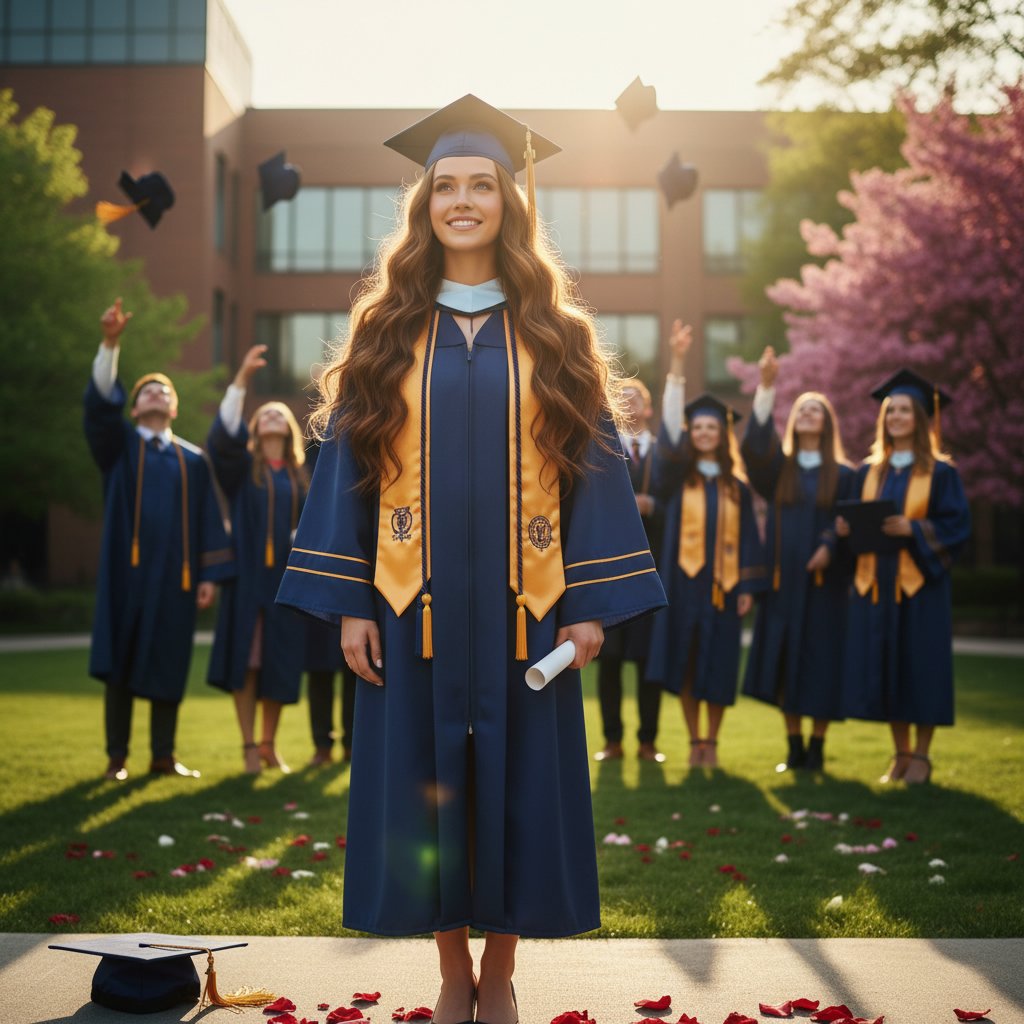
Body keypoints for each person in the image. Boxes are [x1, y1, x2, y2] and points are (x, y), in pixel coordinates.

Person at [276, 95, 666, 1024]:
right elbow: (347, 473)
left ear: (509, 201)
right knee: (427, 785)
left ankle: (501, 968)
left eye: (481, 185)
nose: (461, 201)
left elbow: (595, 472)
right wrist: (353, 601)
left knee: (520, 784)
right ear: (425, 205)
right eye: (445, 186)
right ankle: (452, 968)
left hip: (530, 609)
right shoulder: (386, 330)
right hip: (411, 607)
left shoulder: (555, 335)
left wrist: (590, 605)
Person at [85, 298, 234, 781]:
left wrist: (209, 575)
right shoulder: (119, 448)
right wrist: (110, 345)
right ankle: (117, 758)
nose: (154, 393)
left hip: (176, 578)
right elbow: (99, 409)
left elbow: (210, 519)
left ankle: (163, 756)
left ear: (174, 407)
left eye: (162, 390)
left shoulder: (192, 461)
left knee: (170, 661)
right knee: (121, 661)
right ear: (133, 407)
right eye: (146, 390)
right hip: (125, 575)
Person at [837, 369, 970, 784]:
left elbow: (957, 526)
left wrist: (914, 529)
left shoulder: (941, 473)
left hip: (920, 586)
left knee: (922, 668)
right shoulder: (868, 472)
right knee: (889, 667)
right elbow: (859, 528)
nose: (895, 416)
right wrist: (847, 529)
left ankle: (922, 757)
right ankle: (901, 754)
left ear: (920, 418)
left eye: (904, 410)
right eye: (890, 410)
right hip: (878, 585)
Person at [646, 320, 767, 768]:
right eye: (696, 428)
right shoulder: (678, 478)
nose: (702, 434)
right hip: (683, 585)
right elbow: (669, 430)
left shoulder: (738, 487)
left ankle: (712, 743)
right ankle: (694, 740)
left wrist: (748, 587)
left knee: (718, 664)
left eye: (710, 428)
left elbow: (751, 538)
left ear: (722, 433)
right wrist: (677, 364)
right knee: (687, 660)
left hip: (725, 589)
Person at [740, 346, 857, 772]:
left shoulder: (845, 474)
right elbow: (755, 447)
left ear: (827, 422)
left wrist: (831, 544)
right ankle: (793, 747)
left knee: (823, 662)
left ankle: (818, 747)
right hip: (783, 583)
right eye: (802, 409)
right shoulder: (780, 469)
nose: (808, 413)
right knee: (785, 660)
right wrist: (766, 388)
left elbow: (851, 523)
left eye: (816, 409)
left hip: (827, 586)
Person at [206, 344, 309, 774]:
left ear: (289, 429)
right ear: (255, 426)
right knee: (247, 663)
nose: (270, 416)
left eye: (278, 413)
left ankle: (269, 744)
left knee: (276, 665)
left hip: (284, 585)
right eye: (263, 413)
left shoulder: (300, 479)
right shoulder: (241, 470)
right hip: (248, 580)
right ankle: (249, 745)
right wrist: (242, 379)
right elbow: (221, 437)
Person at [593, 380, 665, 763]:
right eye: (619, 396)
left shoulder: (665, 453)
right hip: (611, 571)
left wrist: (655, 506)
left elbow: (678, 504)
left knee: (648, 661)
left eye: (634, 396)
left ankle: (648, 741)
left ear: (648, 408)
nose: (626, 400)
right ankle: (613, 741)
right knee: (610, 661)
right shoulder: (603, 448)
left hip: (654, 568)